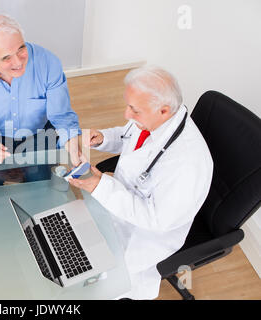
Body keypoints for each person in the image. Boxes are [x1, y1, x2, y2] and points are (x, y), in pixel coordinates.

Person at [69, 66, 213, 299]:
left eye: (134, 110)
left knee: (91, 284)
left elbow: (156, 220)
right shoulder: (155, 118)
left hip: (144, 234)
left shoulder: (188, 165)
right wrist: (104, 137)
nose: (127, 115)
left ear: (164, 110)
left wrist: (100, 186)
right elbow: (129, 135)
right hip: (120, 204)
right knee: (71, 239)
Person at [0, 14, 84, 189]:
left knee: (41, 190)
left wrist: (72, 147)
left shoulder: (48, 63)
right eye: (6, 57)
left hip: (37, 136)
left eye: (21, 49)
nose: (18, 62)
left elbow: (61, 116)